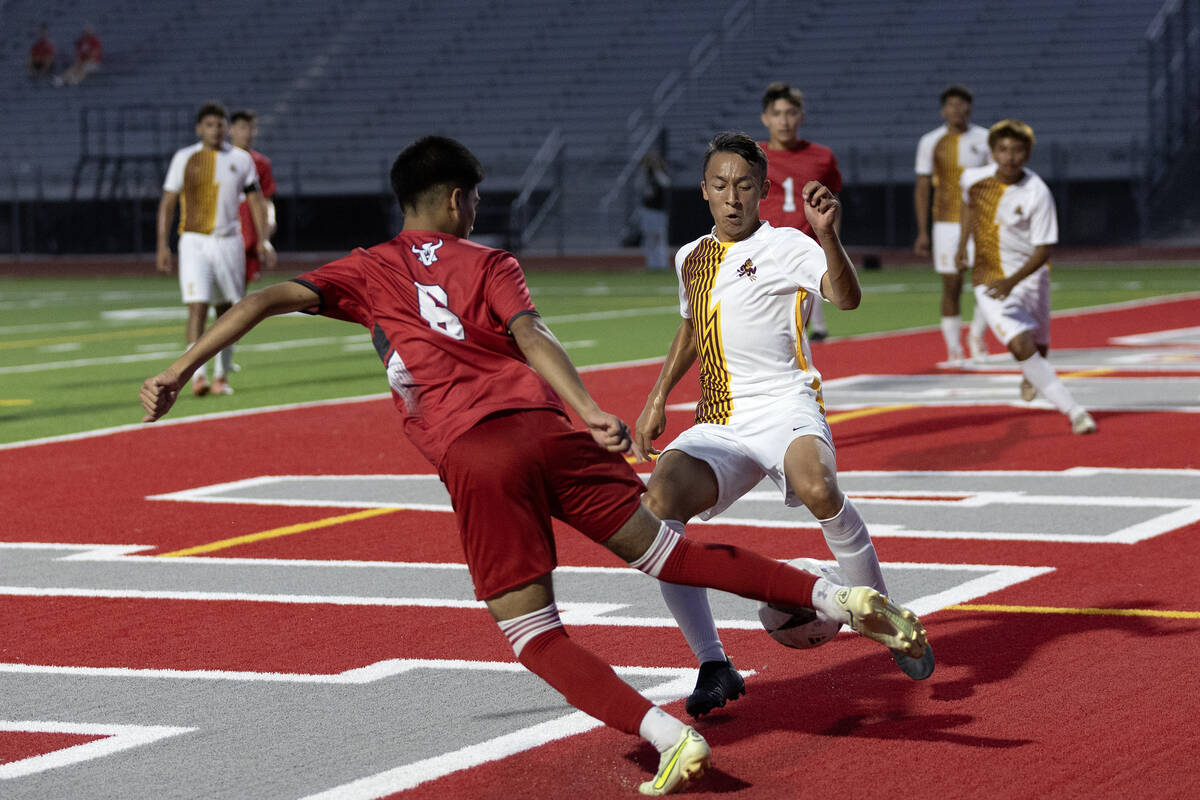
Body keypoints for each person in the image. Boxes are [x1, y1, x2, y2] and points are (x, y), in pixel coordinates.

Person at [139, 135, 928, 797]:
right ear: (454, 200)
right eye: (474, 198)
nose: (477, 210)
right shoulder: (491, 262)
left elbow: (264, 300)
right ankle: (836, 595)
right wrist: (589, 411)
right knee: (667, 544)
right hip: (552, 433)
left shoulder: (367, 268)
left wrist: (180, 369)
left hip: (480, 458)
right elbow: (534, 337)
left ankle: (665, 736)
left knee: (533, 633)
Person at [635, 132, 936, 720]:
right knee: (657, 509)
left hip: (786, 403)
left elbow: (844, 299)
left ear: (764, 192)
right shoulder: (689, 257)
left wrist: (828, 237)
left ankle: (884, 614)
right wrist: (656, 399)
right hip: (721, 419)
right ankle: (713, 662)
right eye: (720, 185)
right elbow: (693, 328)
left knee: (820, 489)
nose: (732, 196)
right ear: (703, 191)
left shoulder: (789, 245)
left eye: (744, 186)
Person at [957, 120, 1097, 435]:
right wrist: (961, 245)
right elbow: (968, 206)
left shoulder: (1038, 193)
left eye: (1017, 150)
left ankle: (1031, 372)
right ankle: (1076, 412)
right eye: (1003, 149)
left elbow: (1044, 249)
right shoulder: (973, 179)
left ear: (1028, 154)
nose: (1009, 157)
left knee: (1038, 347)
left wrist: (1013, 281)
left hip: (1031, 277)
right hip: (989, 277)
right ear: (992, 152)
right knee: (1019, 344)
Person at [156, 102, 276, 397]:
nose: (215, 130)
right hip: (194, 241)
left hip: (229, 240)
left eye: (220, 124)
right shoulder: (184, 158)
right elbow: (168, 203)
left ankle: (222, 375)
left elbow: (256, 200)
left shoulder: (241, 159)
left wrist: (263, 238)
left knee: (230, 310)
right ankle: (197, 376)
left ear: (226, 128)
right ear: (199, 128)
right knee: (197, 307)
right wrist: (162, 245)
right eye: (209, 125)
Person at [914, 85, 992, 364]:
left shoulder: (986, 138)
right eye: (952, 105)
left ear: (970, 108)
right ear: (943, 110)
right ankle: (954, 347)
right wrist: (922, 230)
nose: (957, 110)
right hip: (946, 222)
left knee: (986, 282)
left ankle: (977, 335)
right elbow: (923, 186)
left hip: (981, 220)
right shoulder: (930, 142)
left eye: (963, 104)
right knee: (952, 286)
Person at [758, 82, 841, 341]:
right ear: (765, 118)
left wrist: (833, 246)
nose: (784, 121)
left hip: (804, 254)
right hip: (762, 252)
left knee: (793, 335)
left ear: (801, 117)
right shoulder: (752, 156)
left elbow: (832, 203)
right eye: (777, 113)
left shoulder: (821, 156)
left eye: (791, 113)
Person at [229, 109, 278, 284]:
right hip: (226, 231)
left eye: (251, 128)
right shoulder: (220, 158)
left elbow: (266, 199)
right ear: (231, 129)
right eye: (242, 128)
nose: (247, 133)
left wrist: (269, 223)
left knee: (240, 289)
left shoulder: (261, 163)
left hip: (249, 232)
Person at [638, 151, 671, 271]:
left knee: (660, 237)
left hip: (659, 211)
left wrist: (656, 169)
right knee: (649, 237)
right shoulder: (645, 175)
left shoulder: (661, 173)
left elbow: (665, 183)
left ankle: (662, 264)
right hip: (648, 210)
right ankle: (651, 264)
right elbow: (639, 186)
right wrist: (644, 169)